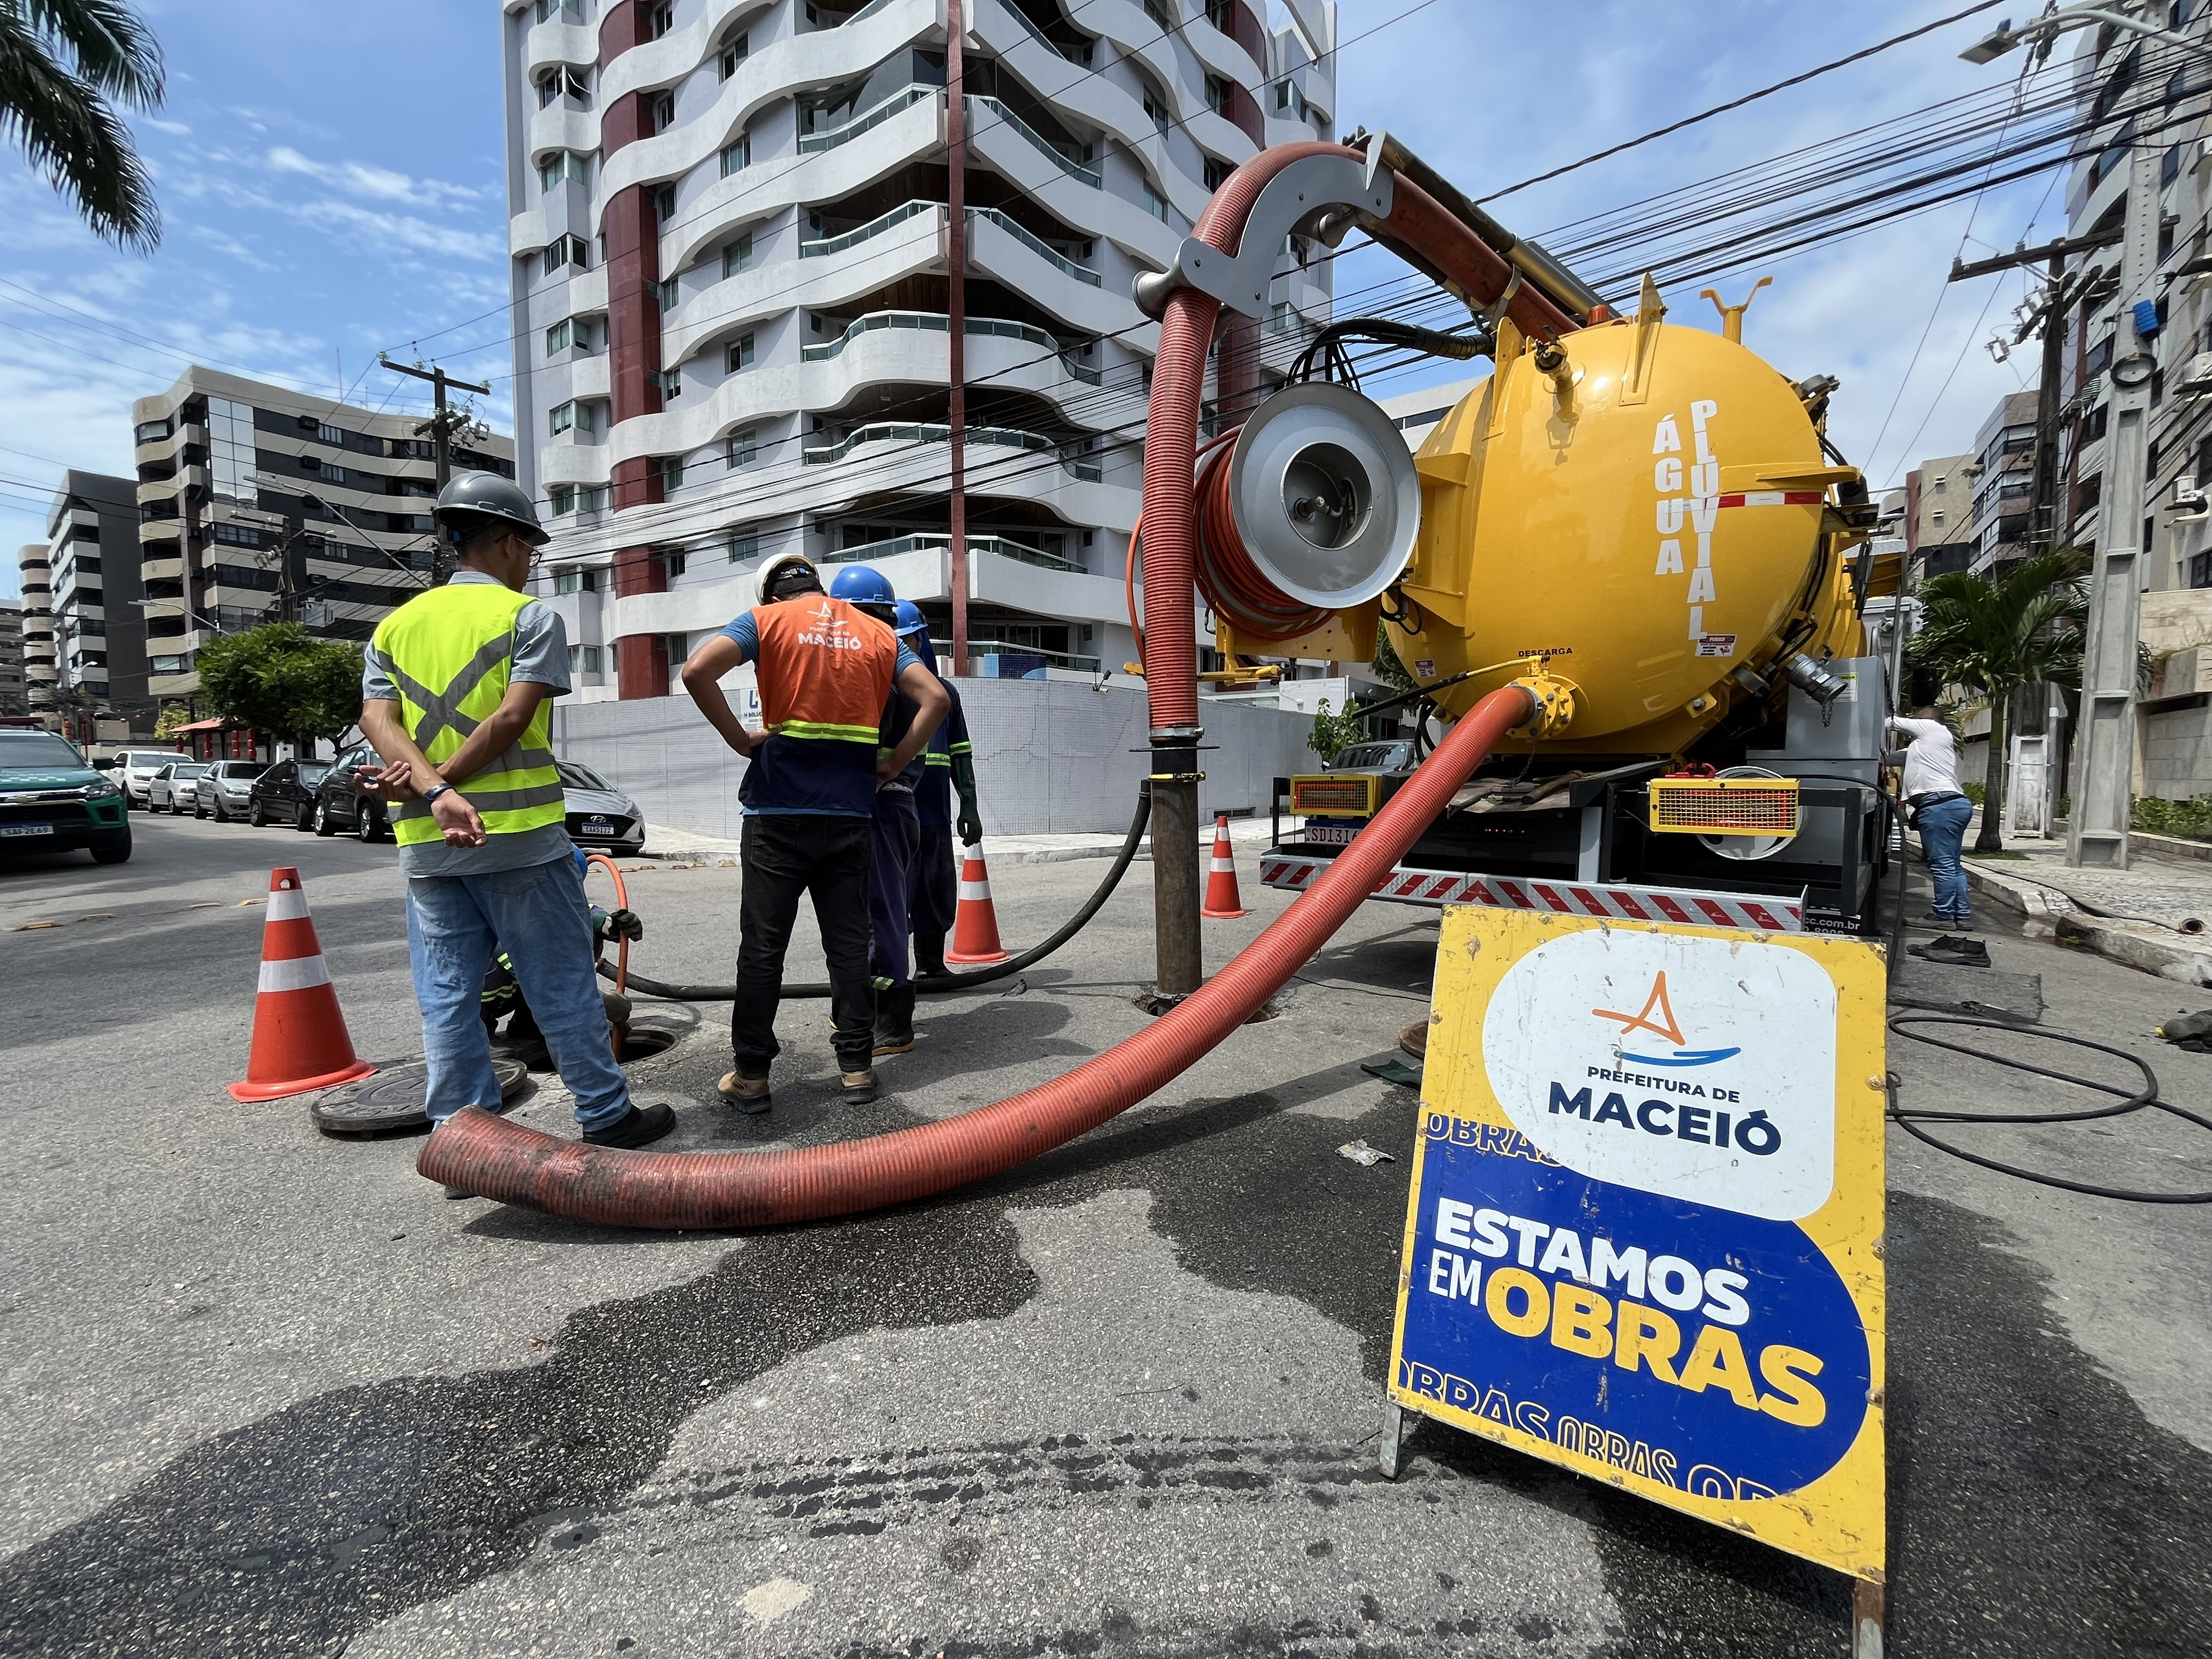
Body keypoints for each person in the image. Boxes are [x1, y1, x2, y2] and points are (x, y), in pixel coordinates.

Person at [357, 471, 675, 1155]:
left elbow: (376, 719)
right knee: (559, 984)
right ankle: (605, 1115)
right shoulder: (529, 618)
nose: (530, 562)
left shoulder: (393, 627)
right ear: (503, 540)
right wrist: (447, 787)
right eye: (528, 547)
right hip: (519, 839)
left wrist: (431, 793)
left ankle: (459, 1132)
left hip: (428, 844)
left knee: (448, 995)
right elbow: (511, 716)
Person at [680, 550, 947, 1109]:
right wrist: (895, 763)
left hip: (775, 812)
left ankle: (752, 1077)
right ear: (815, 587)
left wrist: (738, 738)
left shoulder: (763, 622)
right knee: (849, 945)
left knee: (762, 948)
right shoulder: (877, 633)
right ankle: (856, 1069)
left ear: (771, 594)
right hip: (851, 813)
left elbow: (696, 670)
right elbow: (936, 699)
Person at [823, 568, 928, 1058]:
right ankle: (867, 1007)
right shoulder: (896, 659)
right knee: (878, 909)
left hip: (881, 806)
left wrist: (888, 763)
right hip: (895, 803)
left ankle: (891, 1021)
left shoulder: (877, 661)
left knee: (877, 911)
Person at [481, 845, 644, 1064]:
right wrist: (600, 1003)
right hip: (481, 1001)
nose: (567, 896)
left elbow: (588, 913)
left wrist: (615, 925)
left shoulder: (560, 903)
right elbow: (546, 983)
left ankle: (530, 1023)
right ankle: (478, 1044)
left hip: (518, 990)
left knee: (581, 931)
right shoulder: (505, 918)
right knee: (475, 1030)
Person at [899, 601, 983, 984]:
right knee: (891, 896)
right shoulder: (876, 693)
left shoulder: (944, 694)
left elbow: (960, 753)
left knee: (935, 890)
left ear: (921, 640)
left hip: (933, 816)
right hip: (890, 817)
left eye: (906, 641)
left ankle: (931, 966)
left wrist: (970, 805)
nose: (900, 649)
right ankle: (889, 977)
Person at [1886, 706, 1973, 931]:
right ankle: (1961, 916)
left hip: (1939, 806)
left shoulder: (1932, 728)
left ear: (1925, 719)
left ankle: (1942, 916)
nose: (1912, 718)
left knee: (1942, 864)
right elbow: (1889, 759)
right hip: (1951, 804)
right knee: (1952, 865)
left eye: (1915, 716)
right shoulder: (1924, 747)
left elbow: (1890, 722)